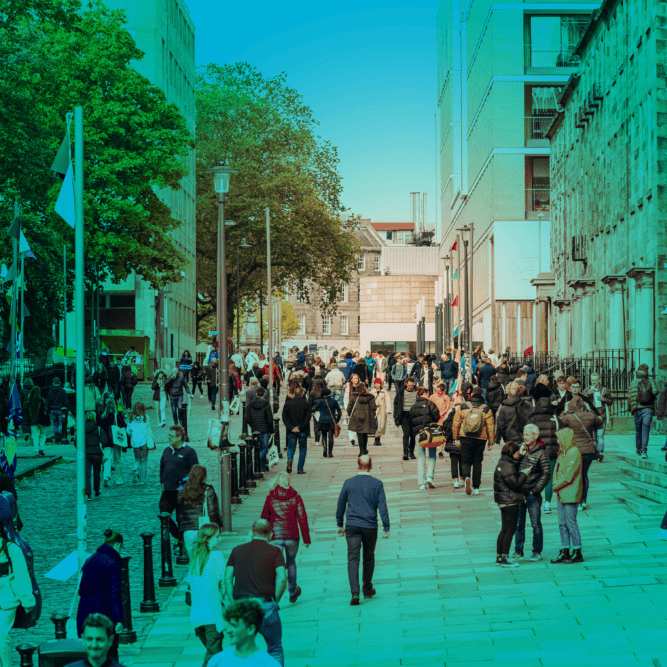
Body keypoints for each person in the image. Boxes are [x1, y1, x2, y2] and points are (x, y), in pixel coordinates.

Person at [224, 519, 287, 666]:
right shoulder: (275, 551)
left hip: (242, 606)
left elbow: (227, 578)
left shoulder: (237, 550)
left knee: (239, 648)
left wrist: (233, 603)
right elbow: (283, 578)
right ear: (270, 534)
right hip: (266, 605)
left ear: (252, 532)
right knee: (275, 648)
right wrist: (275, 600)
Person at [336, 455, 390, 605]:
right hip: (370, 526)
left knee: (353, 558)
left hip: (352, 525)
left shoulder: (348, 483)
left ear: (358, 466)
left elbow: (341, 504)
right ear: (371, 466)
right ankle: (367, 588)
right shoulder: (377, 484)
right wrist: (386, 526)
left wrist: (340, 523)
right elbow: (382, 506)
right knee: (368, 557)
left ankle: (355, 592)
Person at [260, 472, 311, 605]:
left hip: (275, 536)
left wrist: (262, 537)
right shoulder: (296, 497)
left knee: (274, 567)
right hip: (292, 536)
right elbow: (302, 518)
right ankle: (292, 592)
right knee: (291, 563)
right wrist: (306, 539)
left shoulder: (270, 497)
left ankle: (273, 595)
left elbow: (264, 518)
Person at [76, 530, 124, 661]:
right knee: (109, 651)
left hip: (84, 612)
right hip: (105, 614)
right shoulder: (113, 563)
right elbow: (114, 595)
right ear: (118, 545)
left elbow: (81, 590)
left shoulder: (89, 560)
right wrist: (119, 619)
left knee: (91, 652)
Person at [511, 424, 551, 562]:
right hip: (519, 493)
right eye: (524, 434)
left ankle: (537, 551)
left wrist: (536, 490)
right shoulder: (519, 450)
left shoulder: (541, 453)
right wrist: (519, 456)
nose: (525, 437)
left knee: (535, 524)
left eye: (528, 435)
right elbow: (512, 468)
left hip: (532, 494)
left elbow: (546, 474)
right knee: (518, 524)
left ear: (535, 436)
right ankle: (518, 550)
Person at [187, 524, 226, 666]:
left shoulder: (194, 559)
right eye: (217, 536)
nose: (220, 539)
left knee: (218, 656)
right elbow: (223, 584)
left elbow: (191, 584)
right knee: (213, 657)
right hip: (212, 616)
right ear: (207, 539)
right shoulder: (217, 556)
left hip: (197, 617)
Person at [0, 521, 35, 665]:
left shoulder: (12, 549)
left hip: (7, 600)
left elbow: (22, 577)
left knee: (1, 635)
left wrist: (27, 601)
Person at [559, 396, 603, 510]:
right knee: (584, 474)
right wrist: (589, 410)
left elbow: (559, 423)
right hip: (588, 451)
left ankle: (577, 499)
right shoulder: (590, 415)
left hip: (574, 451)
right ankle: (584, 500)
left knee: (576, 476)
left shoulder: (568, 417)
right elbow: (600, 422)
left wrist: (564, 411)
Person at [209, 599, 281, 667]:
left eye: (234, 625)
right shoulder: (216, 661)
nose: (228, 631)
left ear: (250, 629)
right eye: (228, 625)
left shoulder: (269, 664)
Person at [452, 387, 495, 496]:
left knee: (465, 461)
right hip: (481, 438)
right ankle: (476, 487)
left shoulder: (463, 406)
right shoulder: (486, 408)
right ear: (482, 395)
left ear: (471, 394)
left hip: (465, 436)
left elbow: (456, 423)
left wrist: (455, 438)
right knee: (477, 462)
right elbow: (491, 426)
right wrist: (491, 441)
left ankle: (466, 477)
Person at [493, 442, 530, 568]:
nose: (518, 454)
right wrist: (525, 474)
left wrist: (522, 457)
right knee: (511, 529)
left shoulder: (503, 462)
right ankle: (505, 558)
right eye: (517, 452)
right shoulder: (508, 466)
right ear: (512, 452)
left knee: (504, 529)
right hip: (510, 501)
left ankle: (499, 556)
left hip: (503, 501)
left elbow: (514, 469)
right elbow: (515, 483)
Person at [550, 427, 585, 564]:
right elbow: (556, 471)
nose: (558, 441)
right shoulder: (563, 452)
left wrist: (555, 486)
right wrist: (555, 485)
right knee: (562, 523)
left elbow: (568, 475)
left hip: (570, 492)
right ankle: (565, 549)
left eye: (559, 438)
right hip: (561, 493)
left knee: (571, 523)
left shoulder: (573, 452)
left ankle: (577, 551)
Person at [160, 426, 199, 540]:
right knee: (163, 515)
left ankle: (181, 545)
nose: (168, 438)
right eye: (169, 436)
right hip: (167, 491)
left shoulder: (189, 452)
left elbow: (195, 471)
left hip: (181, 492)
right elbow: (162, 468)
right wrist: (162, 482)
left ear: (179, 437)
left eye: (171, 436)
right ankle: (178, 537)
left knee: (181, 519)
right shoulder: (167, 450)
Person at [178, 466, 223, 558]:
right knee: (206, 561)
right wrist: (218, 529)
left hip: (188, 531)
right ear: (204, 477)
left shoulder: (183, 492)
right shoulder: (207, 491)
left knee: (194, 563)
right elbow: (212, 512)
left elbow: (179, 515)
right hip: (204, 530)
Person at [527, 397, 560, 514]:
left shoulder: (533, 419)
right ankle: (547, 504)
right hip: (551, 452)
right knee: (549, 477)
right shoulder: (555, 418)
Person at [411, 388, 440, 490]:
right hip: (430, 433)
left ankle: (422, 483)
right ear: (424, 393)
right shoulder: (430, 404)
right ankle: (429, 477)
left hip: (418, 434)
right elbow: (437, 416)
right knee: (432, 455)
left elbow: (411, 420)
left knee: (421, 458)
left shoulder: (413, 406)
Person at [628, 364, 659, 459]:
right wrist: (651, 382)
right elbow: (655, 392)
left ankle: (639, 448)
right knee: (646, 428)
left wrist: (631, 409)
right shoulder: (650, 380)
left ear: (637, 371)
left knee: (638, 430)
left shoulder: (633, 382)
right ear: (647, 371)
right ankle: (644, 450)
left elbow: (629, 397)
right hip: (648, 408)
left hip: (637, 409)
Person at [582, 373, 614, 461]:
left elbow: (611, 401)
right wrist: (588, 394)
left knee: (600, 435)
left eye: (596, 380)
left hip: (601, 416)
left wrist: (604, 399)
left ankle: (600, 453)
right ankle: (593, 452)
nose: (594, 382)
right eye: (592, 380)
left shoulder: (604, 390)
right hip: (590, 416)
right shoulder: (587, 389)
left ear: (599, 380)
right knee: (591, 435)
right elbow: (581, 399)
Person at [281, 386, 310, 475]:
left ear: (294, 394)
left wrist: (290, 427)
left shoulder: (288, 403)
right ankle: (300, 468)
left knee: (291, 448)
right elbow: (308, 417)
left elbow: (284, 417)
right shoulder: (306, 403)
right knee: (303, 449)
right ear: (302, 394)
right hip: (303, 430)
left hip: (291, 430)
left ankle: (290, 460)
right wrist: (300, 427)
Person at [246, 387, 274, 472]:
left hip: (255, 429)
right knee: (264, 448)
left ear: (256, 394)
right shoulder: (266, 404)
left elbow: (247, 418)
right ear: (264, 394)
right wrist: (272, 430)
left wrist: (252, 425)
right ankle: (258, 460)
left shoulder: (250, 404)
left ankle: (261, 467)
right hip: (264, 429)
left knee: (258, 447)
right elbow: (270, 419)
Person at [347, 383, 377, 457]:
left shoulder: (353, 397)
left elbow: (349, 408)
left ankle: (361, 451)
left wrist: (352, 414)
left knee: (359, 434)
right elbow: (374, 408)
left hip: (357, 418)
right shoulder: (370, 397)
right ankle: (364, 449)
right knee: (365, 434)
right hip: (367, 418)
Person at [85, 410, 109, 500]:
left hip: (86, 454)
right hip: (97, 454)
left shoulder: (82, 428)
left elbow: (77, 442)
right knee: (96, 473)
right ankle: (97, 490)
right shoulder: (99, 428)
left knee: (87, 474)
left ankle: (88, 494)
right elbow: (104, 440)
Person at [311, 388, 342, 458]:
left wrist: (314, 412)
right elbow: (340, 412)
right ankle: (330, 452)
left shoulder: (321, 401)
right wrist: (337, 420)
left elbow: (313, 408)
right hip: (331, 420)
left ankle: (325, 449)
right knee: (331, 436)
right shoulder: (334, 401)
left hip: (323, 420)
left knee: (324, 435)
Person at [125, 403, 150, 485]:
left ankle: (135, 470)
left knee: (137, 459)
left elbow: (128, 432)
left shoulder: (131, 419)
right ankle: (142, 480)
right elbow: (148, 428)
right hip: (144, 442)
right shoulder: (146, 417)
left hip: (135, 443)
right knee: (144, 461)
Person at [441, 396, 464, 487]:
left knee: (454, 461)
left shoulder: (450, 412)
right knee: (463, 460)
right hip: (463, 440)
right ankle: (462, 478)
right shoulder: (465, 412)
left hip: (451, 441)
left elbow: (444, 425)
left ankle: (456, 480)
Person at [394, 377, 418, 460]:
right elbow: (396, 403)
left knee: (413, 435)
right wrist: (396, 415)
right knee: (406, 434)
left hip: (414, 416)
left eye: (412, 385)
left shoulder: (417, 392)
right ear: (406, 384)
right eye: (409, 385)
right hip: (404, 415)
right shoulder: (401, 392)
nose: (411, 387)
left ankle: (411, 452)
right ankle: (405, 453)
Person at [25, 385, 47, 456]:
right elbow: (46, 409)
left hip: (33, 421)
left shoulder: (29, 402)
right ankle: (41, 448)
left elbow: (26, 412)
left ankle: (36, 450)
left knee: (35, 435)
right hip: (41, 420)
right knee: (43, 434)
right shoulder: (42, 400)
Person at [46, 377, 69, 444]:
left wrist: (48, 409)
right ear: (59, 383)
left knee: (55, 424)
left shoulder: (50, 391)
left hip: (53, 409)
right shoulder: (62, 391)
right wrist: (67, 408)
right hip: (60, 409)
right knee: (61, 423)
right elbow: (66, 401)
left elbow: (48, 401)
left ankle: (56, 436)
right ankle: (60, 434)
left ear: (53, 383)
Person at [370, 379, 392, 447]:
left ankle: (378, 438)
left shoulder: (384, 392)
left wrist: (388, 410)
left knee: (381, 425)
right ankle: (376, 438)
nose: (377, 385)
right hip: (374, 411)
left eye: (378, 383)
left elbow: (387, 401)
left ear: (380, 384)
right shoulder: (372, 392)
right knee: (375, 424)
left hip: (382, 410)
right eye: (375, 383)